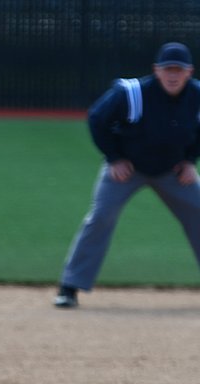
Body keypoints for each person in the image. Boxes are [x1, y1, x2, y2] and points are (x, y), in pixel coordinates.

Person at [55, 41, 200, 308]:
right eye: (167, 69)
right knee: (101, 217)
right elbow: (97, 118)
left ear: (189, 72)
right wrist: (114, 158)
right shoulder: (132, 93)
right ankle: (70, 286)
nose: (173, 75)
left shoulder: (197, 96)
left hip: (173, 170)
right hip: (128, 169)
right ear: (156, 70)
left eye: (178, 70)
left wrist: (190, 160)